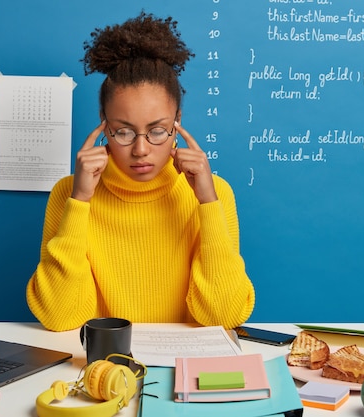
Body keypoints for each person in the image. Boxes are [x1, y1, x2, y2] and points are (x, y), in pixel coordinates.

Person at [26, 12, 255, 331]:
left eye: (158, 130)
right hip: (105, 367)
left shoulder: (214, 193)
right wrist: (80, 200)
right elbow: (60, 316)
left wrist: (207, 203)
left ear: (178, 121)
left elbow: (223, 316)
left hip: (184, 369)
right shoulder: (70, 192)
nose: (141, 149)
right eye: (123, 131)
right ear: (103, 121)